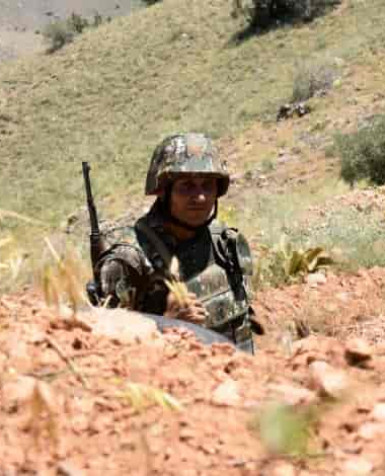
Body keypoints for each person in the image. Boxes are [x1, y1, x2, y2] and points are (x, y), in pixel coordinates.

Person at [92, 132, 263, 352]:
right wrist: (168, 324)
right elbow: (109, 350)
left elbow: (243, 323)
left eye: (207, 185)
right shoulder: (129, 260)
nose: (200, 197)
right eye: (186, 186)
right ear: (164, 191)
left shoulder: (225, 243)